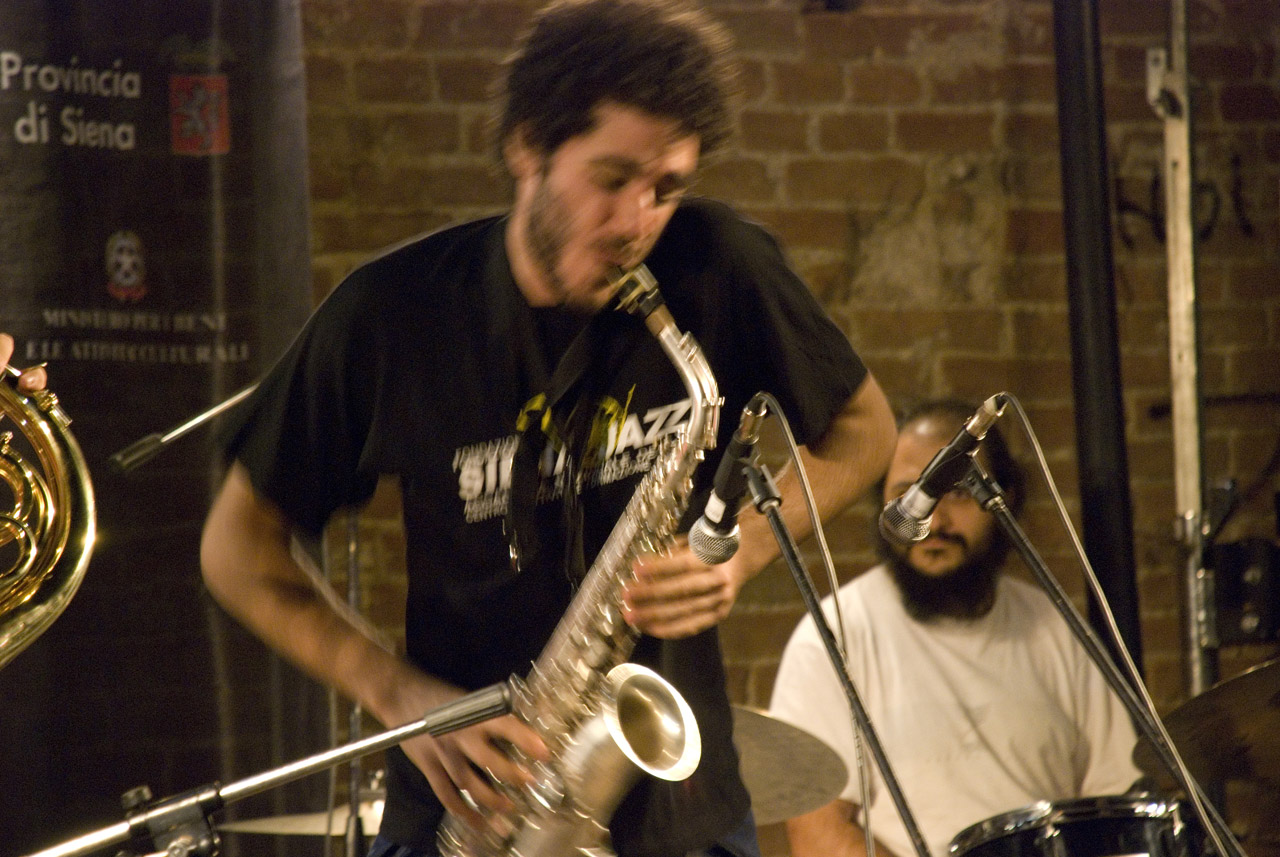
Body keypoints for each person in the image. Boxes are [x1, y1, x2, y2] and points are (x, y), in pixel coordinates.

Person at [199, 2, 897, 856]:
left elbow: (865, 428)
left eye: (667, 188)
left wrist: (744, 546)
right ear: (526, 147)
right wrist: (395, 693)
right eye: (611, 179)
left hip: (681, 816)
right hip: (472, 807)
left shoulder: (718, 267)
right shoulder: (393, 313)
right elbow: (237, 548)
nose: (639, 222)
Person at [769, 399, 1141, 857]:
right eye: (911, 493)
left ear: (1002, 499)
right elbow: (817, 836)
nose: (934, 520)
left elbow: (1117, 801)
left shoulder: (1056, 626)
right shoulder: (834, 635)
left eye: (959, 493)